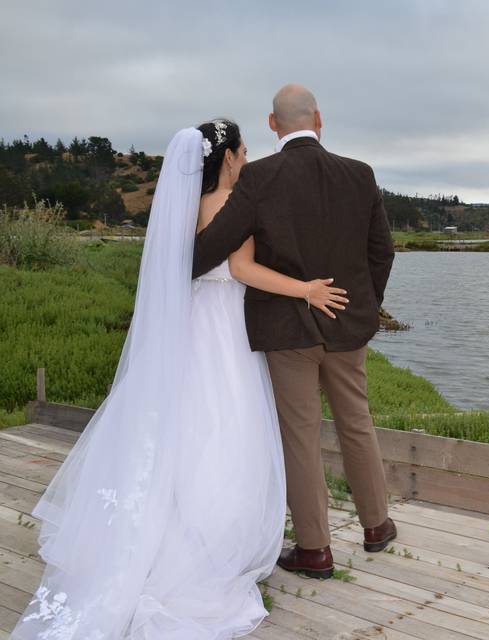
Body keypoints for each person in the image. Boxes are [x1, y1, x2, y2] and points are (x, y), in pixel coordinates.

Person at [13, 121, 346, 639]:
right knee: (224, 428)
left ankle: (154, 526)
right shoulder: (235, 204)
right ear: (230, 158)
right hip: (224, 327)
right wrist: (305, 288)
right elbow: (242, 270)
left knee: (178, 422)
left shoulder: (182, 205)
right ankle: (208, 540)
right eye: (243, 148)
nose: (247, 155)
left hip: (186, 323)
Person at [192, 84, 397, 580]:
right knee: (357, 423)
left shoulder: (259, 176)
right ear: (319, 118)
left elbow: (214, 246)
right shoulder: (360, 173)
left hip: (287, 330)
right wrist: (365, 310)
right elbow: (382, 253)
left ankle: (314, 550)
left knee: (300, 436)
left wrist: (175, 264)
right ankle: (376, 526)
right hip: (348, 325)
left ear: (271, 124)